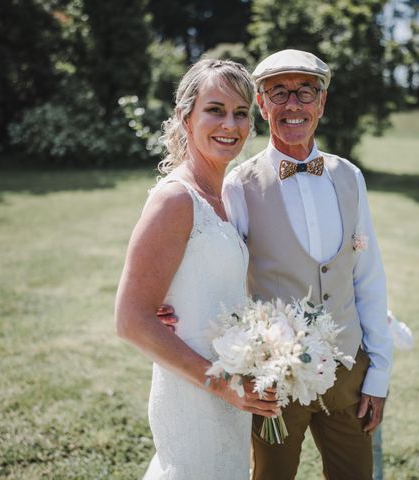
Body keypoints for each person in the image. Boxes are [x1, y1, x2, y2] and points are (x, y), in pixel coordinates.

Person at [162, 49, 394, 480]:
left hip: (349, 375)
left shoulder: (350, 176)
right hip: (274, 383)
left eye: (305, 92)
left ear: (321, 104)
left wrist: (377, 373)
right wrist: (174, 303)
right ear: (263, 106)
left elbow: (369, 275)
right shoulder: (239, 185)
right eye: (278, 93)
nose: (293, 104)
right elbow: (217, 265)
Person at [114, 59, 279, 480]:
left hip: (230, 391)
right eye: (216, 109)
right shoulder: (175, 200)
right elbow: (130, 320)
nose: (231, 123)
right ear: (186, 116)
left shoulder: (227, 196)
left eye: (241, 113)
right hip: (194, 390)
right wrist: (223, 385)